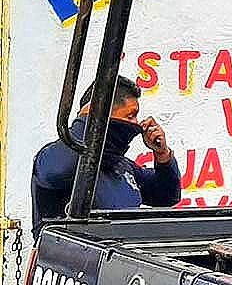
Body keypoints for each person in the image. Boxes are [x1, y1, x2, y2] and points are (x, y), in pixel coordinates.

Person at [31, 76, 181, 238]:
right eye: (130, 116)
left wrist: (162, 154)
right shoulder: (50, 159)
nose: (136, 124)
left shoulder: (123, 167)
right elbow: (60, 168)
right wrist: (87, 120)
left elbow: (167, 195)